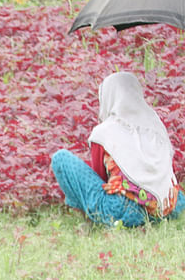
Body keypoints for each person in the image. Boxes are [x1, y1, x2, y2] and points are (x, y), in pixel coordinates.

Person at [51, 71, 183, 227]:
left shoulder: (104, 132)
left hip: (124, 212)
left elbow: (100, 178)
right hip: (170, 207)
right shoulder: (156, 125)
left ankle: (90, 218)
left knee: (61, 158)